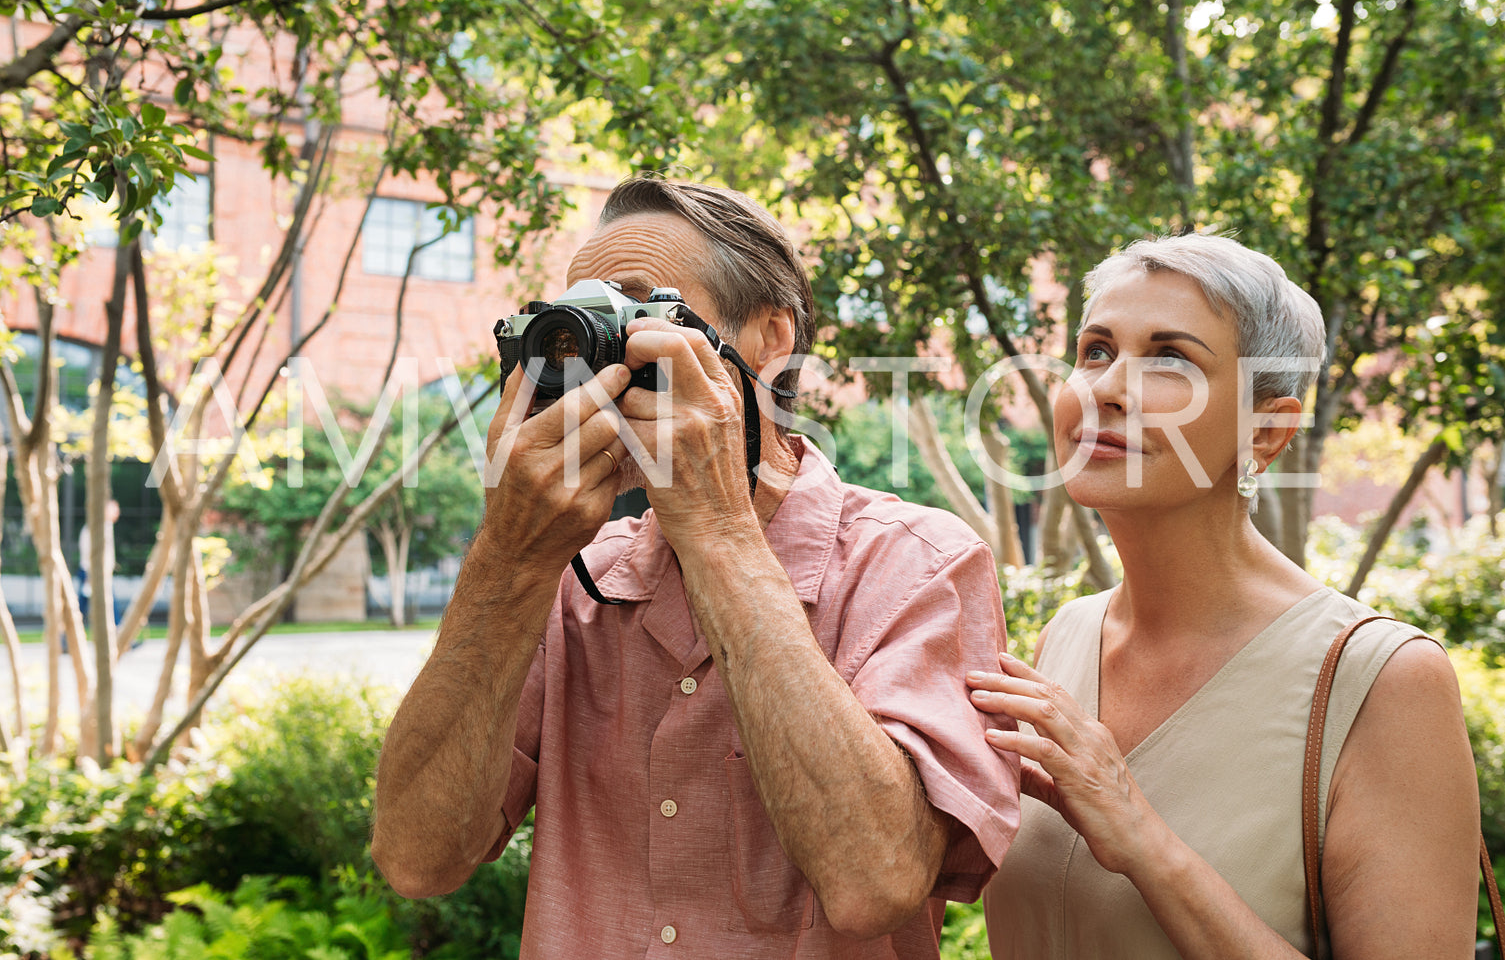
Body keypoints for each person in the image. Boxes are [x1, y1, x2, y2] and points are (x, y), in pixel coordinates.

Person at [373, 177, 1021, 957]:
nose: (597, 350)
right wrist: (507, 555)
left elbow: (875, 883)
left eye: (637, 311)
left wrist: (715, 529)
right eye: (581, 321)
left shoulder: (915, 563)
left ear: (769, 339)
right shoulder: (572, 576)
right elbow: (416, 859)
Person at [968, 233, 1481, 958]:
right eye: (1094, 350)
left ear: (1266, 432)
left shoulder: (1381, 679)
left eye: (1170, 357)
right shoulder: (1064, 638)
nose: (1107, 387)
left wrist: (1143, 841)